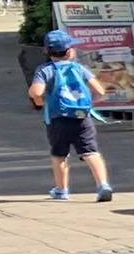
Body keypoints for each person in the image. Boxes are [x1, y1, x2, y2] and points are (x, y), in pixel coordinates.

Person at [29, 30, 114, 202]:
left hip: (58, 119)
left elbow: (36, 92)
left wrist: (38, 100)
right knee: (90, 151)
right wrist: (87, 103)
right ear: (70, 52)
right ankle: (103, 185)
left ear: (46, 51)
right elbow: (100, 91)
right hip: (82, 116)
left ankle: (62, 190)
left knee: (60, 154)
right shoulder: (79, 68)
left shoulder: (45, 70)